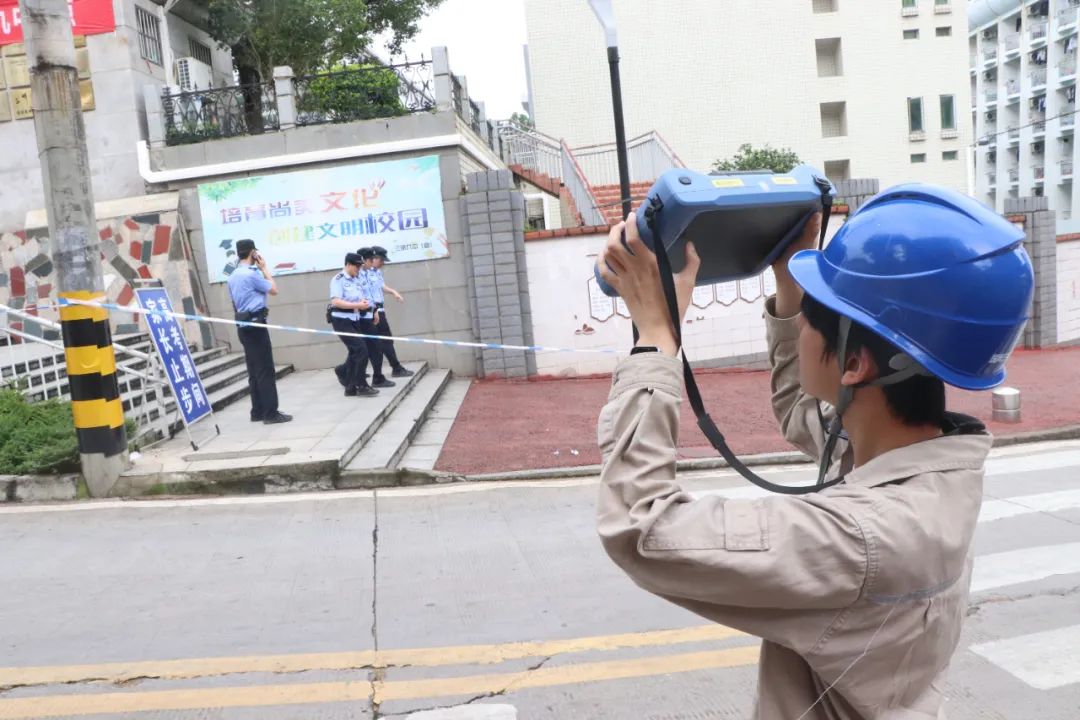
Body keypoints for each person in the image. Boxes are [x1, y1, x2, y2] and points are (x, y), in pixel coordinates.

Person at [593, 185, 1033, 719]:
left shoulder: (860, 539)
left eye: (810, 316)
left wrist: (655, 340)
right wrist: (788, 281)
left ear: (855, 367)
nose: (797, 320)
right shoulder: (935, 466)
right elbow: (805, 416)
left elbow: (641, 528)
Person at [226, 239, 291, 425]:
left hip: (243, 325)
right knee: (265, 370)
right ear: (253, 253)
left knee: (254, 370)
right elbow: (274, 290)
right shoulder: (252, 274)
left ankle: (257, 411)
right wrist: (265, 269)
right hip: (256, 325)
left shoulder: (232, 276)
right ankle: (271, 413)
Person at [334, 249, 395, 390]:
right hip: (357, 317)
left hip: (367, 314)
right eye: (369, 260)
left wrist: (374, 310)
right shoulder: (345, 278)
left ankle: (349, 375)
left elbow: (366, 296)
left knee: (365, 349)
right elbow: (337, 301)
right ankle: (362, 381)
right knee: (366, 349)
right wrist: (362, 307)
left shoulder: (363, 275)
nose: (371, 263)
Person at [330, 253, 379, 398]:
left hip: (355, 318)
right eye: (356, 266)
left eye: (360, 266)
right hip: (341, 320)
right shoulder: (338, 279)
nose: (358, 268)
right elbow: (336, 302)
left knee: (354, 353)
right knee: (361, 350)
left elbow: (362, 298)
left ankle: (350, 387)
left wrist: (371, 309)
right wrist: (357, 305)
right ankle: (361, 385)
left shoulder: (356, 279)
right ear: (348, 264)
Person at [368, 245, 414, 378]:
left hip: (379, 309)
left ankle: (345, 370)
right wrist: (373, 309)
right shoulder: (364, 273)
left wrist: (394, 292)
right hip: (373, 311)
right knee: (384, 340)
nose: (383, 263)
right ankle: (396, 368)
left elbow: (381, 286)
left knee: (373, 342)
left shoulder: (376, 272)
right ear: (374, 258)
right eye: (381, 260)